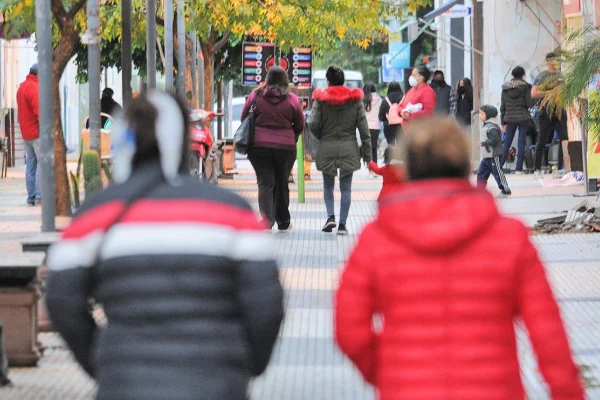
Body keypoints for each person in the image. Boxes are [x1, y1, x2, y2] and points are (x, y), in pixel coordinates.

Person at [45, 91, 284, 400]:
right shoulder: (232, 212)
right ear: (183, 141)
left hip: (125, 385)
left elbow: (61, 298)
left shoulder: (96, 216)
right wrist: (244, 362)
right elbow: (266, 302)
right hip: (217, 384)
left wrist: (102, 360)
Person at [335, 116, 584, 400]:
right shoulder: (509, 237)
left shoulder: (376, 239)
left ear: (408, 169)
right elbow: (548, 333)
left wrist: (387, 373)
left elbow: (349, 330)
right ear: (466, 166)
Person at [308, 65, 371, 236]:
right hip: (349, 147)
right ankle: (343, 225)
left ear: (328, 81)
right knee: (346, 187)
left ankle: (330, 217)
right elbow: (364, 131)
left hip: (327, 146)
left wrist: (321, 135)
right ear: (344, 81)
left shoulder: (321, 100)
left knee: (328, 186)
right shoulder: (355, 100)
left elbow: (312, 123)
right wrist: (368, 156)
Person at [241, 66, 306, 231]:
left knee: (265, 183)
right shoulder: (292, 99)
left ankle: (267, 221)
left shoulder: (256, 96)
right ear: (285, 79)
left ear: (267, 78)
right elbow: (300, 123)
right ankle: (283, 221)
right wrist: (292, 135)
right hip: (285, 148)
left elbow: (244, 118)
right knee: (282, 183)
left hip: (259, 147)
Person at [532, 52, 568, 179]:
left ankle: (560, 168)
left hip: (559, 110)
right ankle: (537, 169)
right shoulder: (542, 76)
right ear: (549, 62)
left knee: (564, 138)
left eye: (559, 60)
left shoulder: (561, 76)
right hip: (545, 111)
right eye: (555, 60)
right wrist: (549, 92)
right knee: (542, 139)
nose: (557, 62)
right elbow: (534, 93)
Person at [500, 66, 535, 173]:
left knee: (507, 142)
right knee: (521, 142)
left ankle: (499, 166)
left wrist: (503, 121)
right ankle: (518, 168)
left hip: (509, 118)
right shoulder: (526, 87)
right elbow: (529, 104)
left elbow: (503, 106)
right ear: (522, 75)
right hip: (523, 117)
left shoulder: (505, 88)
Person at [16, 63, 41, 206]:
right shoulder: (35, 88)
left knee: (30, 165)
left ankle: (31, 196)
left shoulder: (22, 87)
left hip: (26, 133)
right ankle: (39, 196)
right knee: (42, 163)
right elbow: (40, 112)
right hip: (36, 133)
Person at [477, 105, 511, 196]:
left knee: (498, 173)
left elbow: (494, 141)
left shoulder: (492, 127)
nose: (480, 115)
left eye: (482, 113)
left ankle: (505, 189)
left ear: (488, 115)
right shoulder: (486, 125)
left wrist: (484, 143)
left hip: (494, 155)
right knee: (481, 173)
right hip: (486, 156)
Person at [363, 82, 382, 169]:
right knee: (374, 147)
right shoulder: (379, 99)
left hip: (366, 126)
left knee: (368, 148)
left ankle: (369, 167)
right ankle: (375, 166)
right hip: (376, 126)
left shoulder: (364, 100)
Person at [378, 81, 404, 146]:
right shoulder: (404, 99)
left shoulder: (385, 100)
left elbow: (381, 116)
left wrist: (388, 119)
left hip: (388, 127)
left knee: (391, 147)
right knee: (402, 148)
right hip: (402, 126)